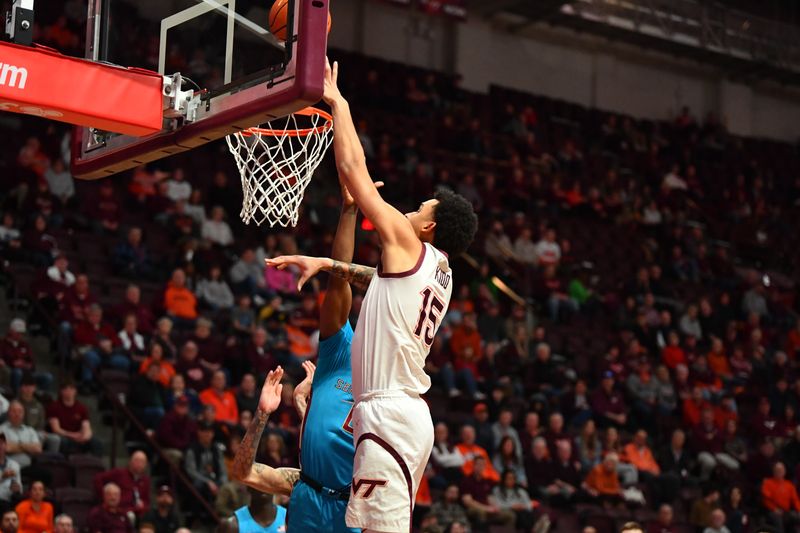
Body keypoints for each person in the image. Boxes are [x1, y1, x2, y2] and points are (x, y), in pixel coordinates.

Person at [266, 57, 477, 533]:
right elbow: (379, 280)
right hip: (398, 415)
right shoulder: (437, 270)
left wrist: (337, 101)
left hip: (388, 414)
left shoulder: (409, 244)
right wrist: (330, 265)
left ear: (429, 227)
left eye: (418, 208)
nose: (408, 210)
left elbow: (352, 168)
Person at [46, 379, 102, 455]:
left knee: (96, 443)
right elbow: (56, 429)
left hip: (77, 436)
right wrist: (73, 435)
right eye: (66, 389)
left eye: (71, 389)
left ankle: (95, 465)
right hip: (63, 435)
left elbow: (87, 427)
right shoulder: (54, 407)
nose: (69, 392)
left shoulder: (81, 408)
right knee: (63, 441)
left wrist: (85, 437)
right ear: (61, 391)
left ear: (75, 391)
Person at [94, 451, 150, 517]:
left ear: (146, 465)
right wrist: (104, 498)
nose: (139, 464)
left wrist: (143, 505)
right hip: (120, 511)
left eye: (142, 462)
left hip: (137, 512)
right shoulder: (119, 473)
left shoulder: (145, 480)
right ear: (130, 461)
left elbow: (146, 501)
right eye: (137, 461)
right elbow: (98, 478)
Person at [217, 487, 286, 533]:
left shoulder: (289, 518)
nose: (262, 485)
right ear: (248, 487)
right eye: (257, 481)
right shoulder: (232, 526)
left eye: (267, 480)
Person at [0, 402, 41, 469]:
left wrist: (16, 446)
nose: (17, 414)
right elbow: (7, 448)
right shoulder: (1, 429)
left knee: (46, 475)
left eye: (20, 411)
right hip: (7, 468)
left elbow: (38, 449)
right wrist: (28, 447)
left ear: (24, 414)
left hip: (28, 467)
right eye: (14, 411)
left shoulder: (30, 430)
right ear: (8, 413)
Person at [762, 462, 800, 533]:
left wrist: (799, 510)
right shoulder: (768, 483)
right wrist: (774, 509)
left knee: (797, 517)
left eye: (781, 470)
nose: (779, 472)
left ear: (784, 471)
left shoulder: (789, 485)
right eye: (777, 470)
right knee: (778, 519)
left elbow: (795, 500)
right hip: (772, 511)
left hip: (786, 511)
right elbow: (766, 500)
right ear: (774, 471)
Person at [0, 434, 22, 505]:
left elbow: (20, 488)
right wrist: (2, 476)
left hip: (8, 502)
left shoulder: (14, 465)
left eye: (1, 443)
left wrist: (17, 489)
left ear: (5, 445)